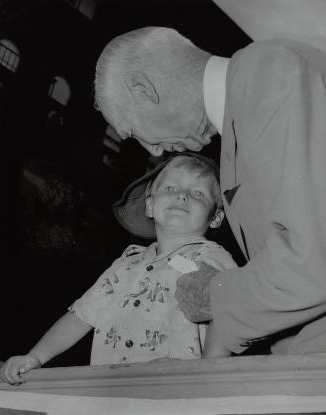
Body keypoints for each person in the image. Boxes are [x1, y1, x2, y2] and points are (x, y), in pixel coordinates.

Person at [93, 27, 326, 356]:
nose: (155, 152)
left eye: (133, 131)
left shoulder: (270, 72)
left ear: (142, 89)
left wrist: (214, 293)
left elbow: (314, 261)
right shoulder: (239, 130)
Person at [0, 153, 237, 385]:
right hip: (111, 393)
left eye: (197, 193)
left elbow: (228, 309)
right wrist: (36, 356)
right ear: (150, 206)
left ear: (216, 217)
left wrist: (209, 376)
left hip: (173, 393)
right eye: (170, 189)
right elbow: (80, 317)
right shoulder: (126, 264)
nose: (182, 196)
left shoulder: (211, 258)